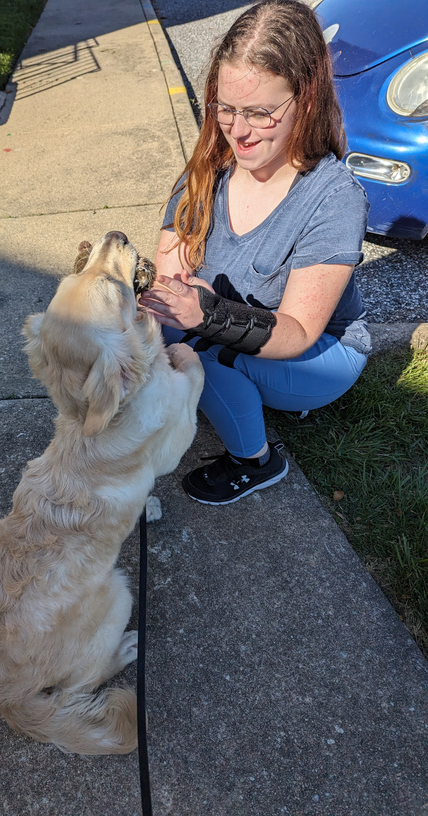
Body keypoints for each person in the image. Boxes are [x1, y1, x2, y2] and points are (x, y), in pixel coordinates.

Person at [140, 0, 371, 506]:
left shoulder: (334, 197)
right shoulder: (209, 165)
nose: (237, 130)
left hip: (321, 353)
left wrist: (206, 317)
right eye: (225, 108)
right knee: (158, 331)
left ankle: (257, 461)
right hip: (241, 326)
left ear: (306, 100)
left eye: (260, 113)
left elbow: (298, 333)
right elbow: (170, 274)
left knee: (200, 350)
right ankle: (256, 390)